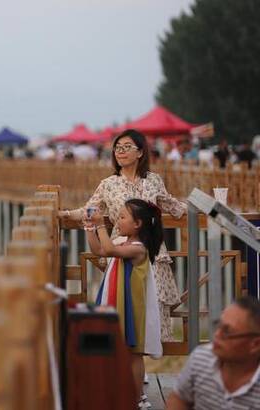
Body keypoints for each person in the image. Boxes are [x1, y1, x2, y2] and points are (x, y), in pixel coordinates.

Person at [59, 129, 186, 342]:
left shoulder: (153, 180)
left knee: (150, 307)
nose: (120, 152)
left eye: (127, 147)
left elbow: (172, 204)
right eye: (117, 148)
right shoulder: (109, 184)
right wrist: (67, 214)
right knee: (125, 306)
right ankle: (129, 368)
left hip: (152, 250)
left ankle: (142, 370)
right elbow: (90, 209)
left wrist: (208, 208)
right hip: (122, 250)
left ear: (140, 152)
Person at [85, 199, 163, 409]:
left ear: (137, 224)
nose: (117, 221)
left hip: (133, 306)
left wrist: (101, 223)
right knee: (119, 348)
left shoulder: (139, 248)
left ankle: (138, 397)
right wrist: (89, 227)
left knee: (134, 353)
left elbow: (108, 250)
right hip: (117, 301)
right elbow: (99, 251)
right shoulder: (121, 240)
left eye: (121, 217)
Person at [166, 296, 260, 409]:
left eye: (227, 331)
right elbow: (179, 398)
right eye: (218, 325)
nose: (216, 335)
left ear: (255, 344)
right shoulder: (201, 358)